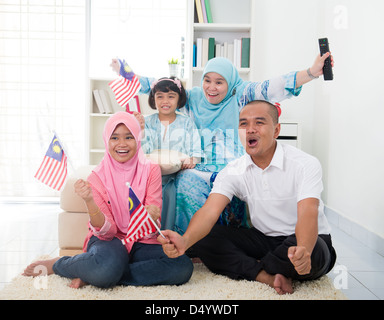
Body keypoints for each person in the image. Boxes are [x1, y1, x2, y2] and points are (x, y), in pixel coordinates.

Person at [113, 53, 334, 234]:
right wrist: (127, 73)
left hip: (233, 165)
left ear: (230, 82)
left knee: (239, 187)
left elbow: (271, 87)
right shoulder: (193, 98)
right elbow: (160, 87)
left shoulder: (240, 95)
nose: (212, 87)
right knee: (184, 180)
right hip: (199, 165)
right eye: (208, 80)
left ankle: (230, 240)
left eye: (219, 82)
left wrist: (312, 72)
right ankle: (189, 243)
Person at [158, 100, 337, 295]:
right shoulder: (234, 170)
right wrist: (184, 241)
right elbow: (209, 212)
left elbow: (308, 213)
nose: (250, 129)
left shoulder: (305, 164)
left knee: (316, 251)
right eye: (243, 123)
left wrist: (303, 249)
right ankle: (266, 275)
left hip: (305, 240)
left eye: (259, 122)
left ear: (276, 130)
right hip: (264, 239)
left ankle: (255, 266)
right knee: (205, 239)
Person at [23, 112, 193, 289]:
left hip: (142, 241)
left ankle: (94, 272)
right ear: (106, 141)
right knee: (107, 265)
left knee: (182, 266)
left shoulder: (151, 170)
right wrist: (89, 201)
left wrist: (151, 215)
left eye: (129, 137)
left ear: (137, 139)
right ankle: (62, 264)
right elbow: (107, 232)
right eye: (115, 138)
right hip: (110, 241)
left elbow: (151, 226)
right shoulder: (96, 177)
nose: (122, 144)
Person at [138, 76, 203, 230]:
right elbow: (144, 151)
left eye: (171, 96)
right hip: (152, 175)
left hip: (176, 174)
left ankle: (173, 233)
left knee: (174, 193)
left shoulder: (186, 122)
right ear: (153, 99)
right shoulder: (148, 121)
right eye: (160, 96)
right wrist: (140, 129)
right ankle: (149, 235)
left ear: (179, 99)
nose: (165, 101)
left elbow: (194, 147)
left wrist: (193, 158)